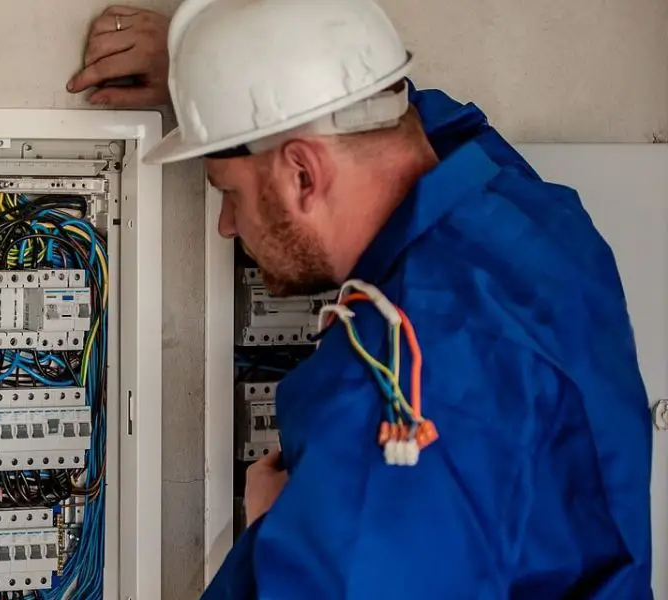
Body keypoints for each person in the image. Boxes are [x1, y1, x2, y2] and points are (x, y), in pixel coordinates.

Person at [69, 0, 655, 598]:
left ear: (303, 175)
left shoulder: (392, 389)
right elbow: (408, 116)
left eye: (228, 192)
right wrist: (214, 72)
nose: (226, 224)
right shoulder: (539, 221)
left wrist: (275, 532)